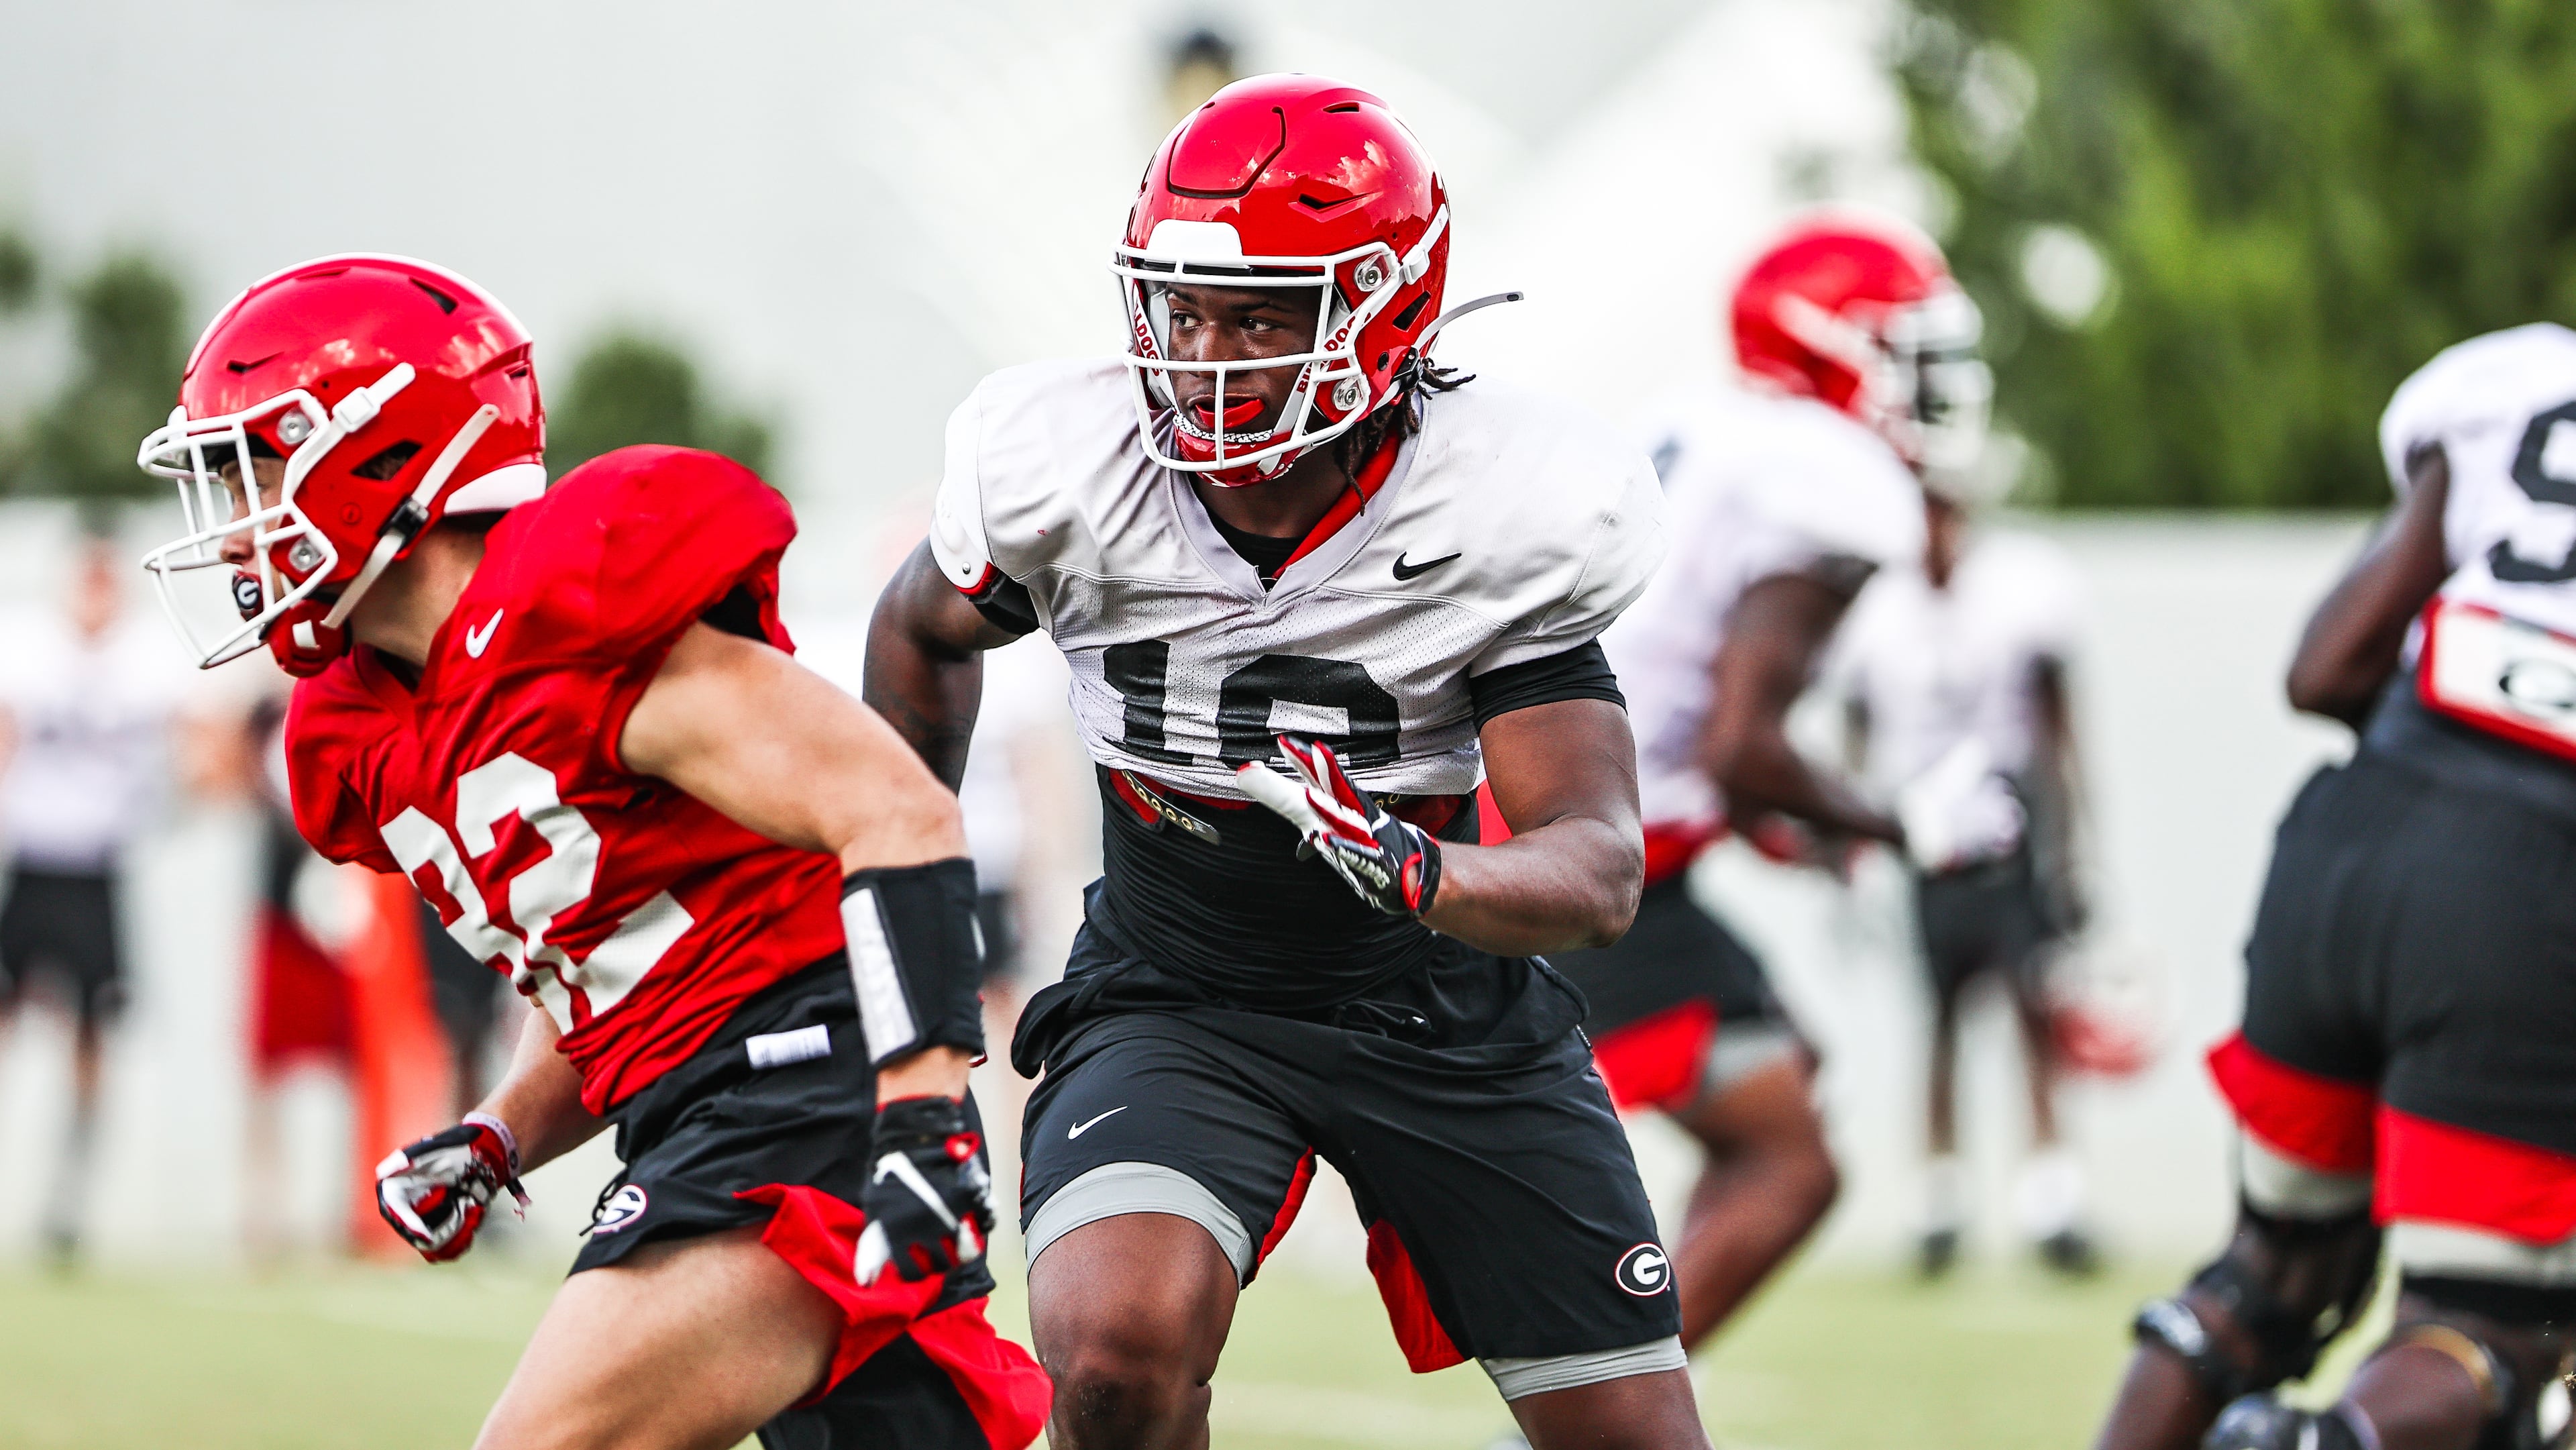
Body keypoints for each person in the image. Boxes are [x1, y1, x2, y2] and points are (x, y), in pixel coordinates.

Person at [867, 75, 1708, 1450]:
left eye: (1262, 314)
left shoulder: (1494, 507)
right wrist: (910, 871)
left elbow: (1599, 866)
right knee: (1114, 1351)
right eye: (1183, 310)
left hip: (1441, 1008)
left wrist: (1417, 865)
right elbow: (920, 628)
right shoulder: (1076, 471)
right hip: (1175, 988)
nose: (1208, 354)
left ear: (1385, 308)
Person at [134, 254, 1046, 1450]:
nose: (240, 528)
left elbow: (901, 813)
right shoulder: (358, 726)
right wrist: (504, 1125)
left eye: (257, 473)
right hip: (695, 1110)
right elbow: (603, 960)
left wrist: (921, 1113)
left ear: (381, 459)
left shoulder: (580, 607)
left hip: (806, 1103)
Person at [2092, 323, 2576, 1450]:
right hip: (2533, 883)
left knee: (2273, 1277)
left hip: (2357, 837)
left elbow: (2327, 670)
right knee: (2500, 1335)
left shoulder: (2523, 381)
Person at [1540, 212, 1996, 1351]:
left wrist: (1799, 830)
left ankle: (1625, 1409)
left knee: (1782, 1079)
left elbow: (1701, 721)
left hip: (1549, 803)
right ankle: (1605, 1428)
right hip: (1580, 835)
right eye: (1904, 349)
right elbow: (1745, 741)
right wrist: (1906, 821)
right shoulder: (1830, 479)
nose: (1930, 383)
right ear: (1828, 347)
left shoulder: (1701, 425)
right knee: (1791, 1158)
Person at [1835, 484, 2097, 1276]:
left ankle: (2052, 1199)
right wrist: (1855, 845)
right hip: (1920, 825)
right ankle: (1939, 1200)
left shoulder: (2021, 592)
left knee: (2032, 1006)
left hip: (2008, 821)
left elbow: (2059, 730)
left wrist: (2076, 847)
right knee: (1939, 1015)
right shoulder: (1875, 608)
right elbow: (1855, 731)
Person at [0, 529, 178, 1267]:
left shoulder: (147, 659)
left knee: (91, 1036)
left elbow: (199, 750)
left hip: (100, 867)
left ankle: (68, 1197)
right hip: (34, 863)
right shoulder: (29, 647)